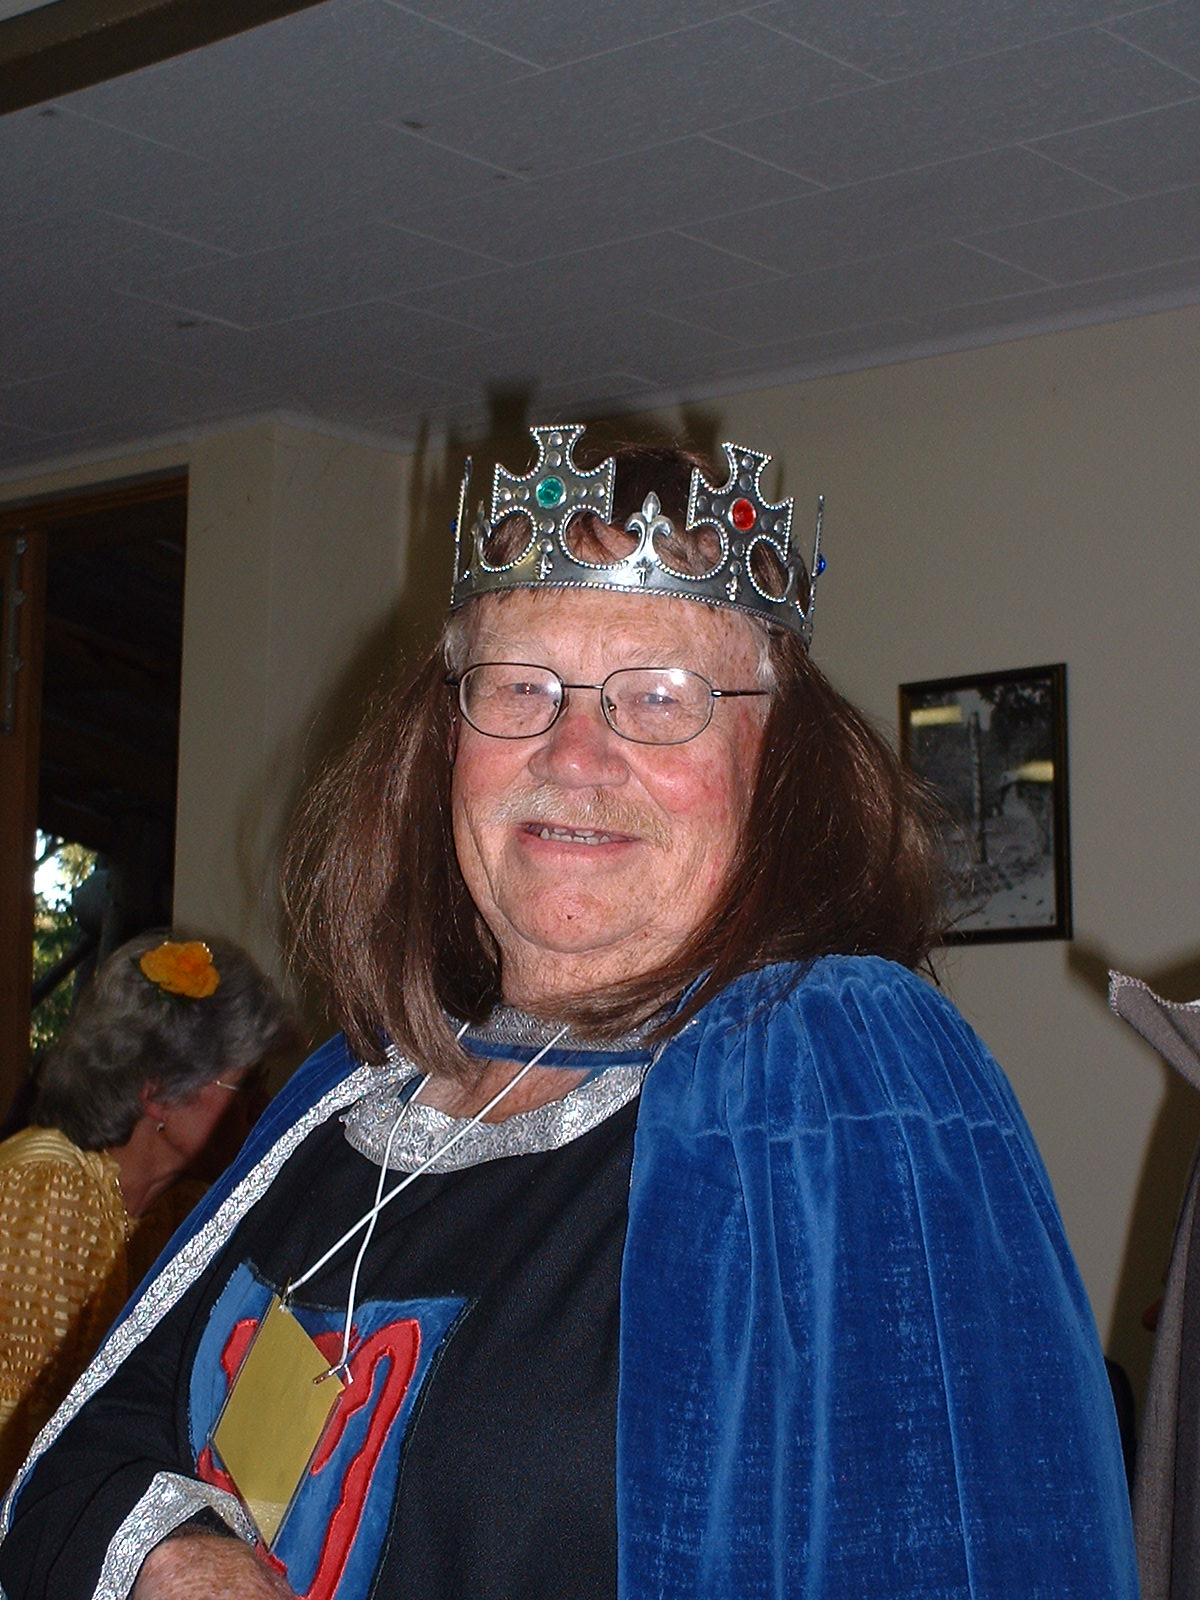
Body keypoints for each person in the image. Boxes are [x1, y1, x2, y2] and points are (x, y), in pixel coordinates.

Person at [0, 424, 1136, 1598]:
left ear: (777, 762)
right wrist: (182, 1559)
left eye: (661, 695)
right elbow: (87, 1456)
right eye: (519, 686)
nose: (575, 752)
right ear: (444, 738)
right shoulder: (351, 1093)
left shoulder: (834, 1079)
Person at [0, 930, 298, 1486]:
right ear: (157, 1094)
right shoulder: (48, 1189)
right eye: (246, 1086)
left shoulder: (176, 1209)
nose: (263, 1108)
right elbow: (18, 1436)